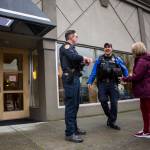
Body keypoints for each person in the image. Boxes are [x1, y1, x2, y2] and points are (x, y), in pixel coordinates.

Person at [59, 30, 92, 143]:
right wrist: (85, 58)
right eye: (76, 36)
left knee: (75, 105)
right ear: (71, 37)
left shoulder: (72, 49)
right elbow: (73, 57)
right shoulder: (66, 46)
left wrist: (83, 63)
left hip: (75, 78)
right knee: (71, 106)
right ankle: (70, 133)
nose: (77, 38)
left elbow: (75, 62)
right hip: (70, 79)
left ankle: (74, 129)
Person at [87, 43, 128, 130]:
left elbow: (124, 69)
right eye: (105, 47)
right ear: (104, 49)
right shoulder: (99, 59)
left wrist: (126, 78)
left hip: (113, 83)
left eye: (109, 47)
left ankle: (112, 122)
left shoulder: (117, 59)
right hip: (102, 84)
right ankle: (111, 117)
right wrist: (89, 81)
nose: (107, 48)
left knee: (114, 103)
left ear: (111, 49)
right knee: (102, 100)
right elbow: (94, 72)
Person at [121, 42, 150, 138]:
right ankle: (146, 130)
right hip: (146, 90)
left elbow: (137, 76)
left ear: (137, 50)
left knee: (146, 112)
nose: (132, 52)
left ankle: (147, 131)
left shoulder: (142, 61)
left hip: (145, 91)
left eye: (133, 50)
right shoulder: (146, 59)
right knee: (146, 111)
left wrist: (124, 78)